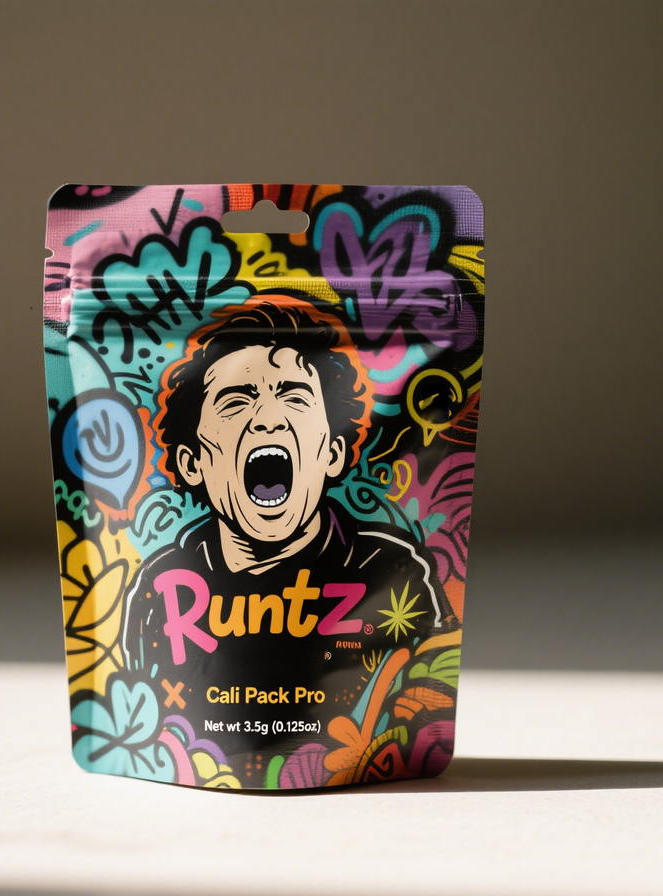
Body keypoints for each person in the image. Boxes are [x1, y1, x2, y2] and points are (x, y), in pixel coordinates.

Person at [120, 296, 450, 754]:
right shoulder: (159, 591)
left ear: (332, 453)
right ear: (193, 462)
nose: (268, 420)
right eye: (236, 400)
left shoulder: (393, 571)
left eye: (294, 397)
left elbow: (420, 691)